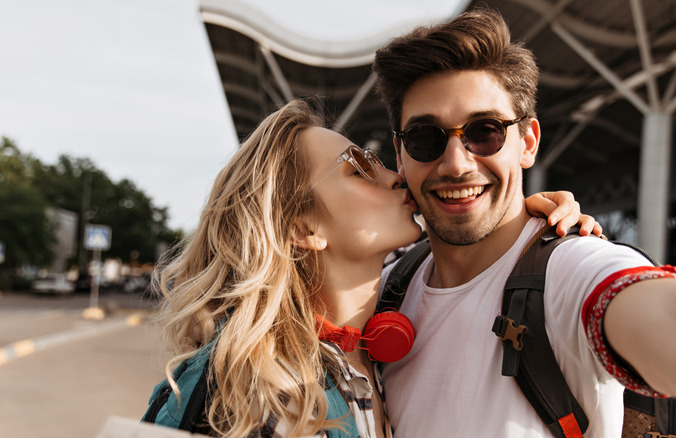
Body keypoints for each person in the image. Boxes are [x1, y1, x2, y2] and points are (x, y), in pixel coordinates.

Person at [371, 7, 676, 438]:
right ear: (400, 155)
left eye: (485, 131)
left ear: (527, 143)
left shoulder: (570, 272)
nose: (455, 164)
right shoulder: (388, 290)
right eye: (424, 139)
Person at [147, 98, 598, 438]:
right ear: (303, 227)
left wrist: (523, 225)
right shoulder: (245, 392)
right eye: (358, 169)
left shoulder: (373, 347)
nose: (395, 176)